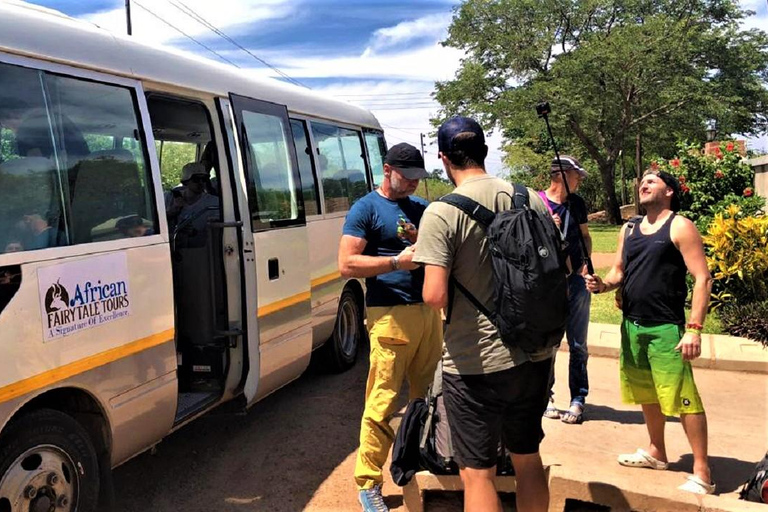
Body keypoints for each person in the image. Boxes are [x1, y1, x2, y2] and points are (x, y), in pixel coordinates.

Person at [413, 117, 553, 512]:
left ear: (443, 158)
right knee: (527, 460)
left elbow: (435, 295)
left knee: (477, 473)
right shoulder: (532, 199)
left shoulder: (442, 212)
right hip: (534, 355)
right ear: (485, 152)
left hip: (475, 362)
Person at [585, 170, 715, 495]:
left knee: (683, 399)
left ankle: (703, 472)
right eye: (642, 181)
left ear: (669, 191)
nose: (644, 185)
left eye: (652, 181)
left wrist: (694, 329)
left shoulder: (680, 226)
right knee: (647, 394)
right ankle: (657, 451)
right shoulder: (629, 229)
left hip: (667, 329)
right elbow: (618, 272)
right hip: (632, 326)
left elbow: (703, 278)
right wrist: (602, 285)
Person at [338, 143, 443, 512]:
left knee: (428, 400)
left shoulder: (423, 209)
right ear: (387, 170)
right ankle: (368, 484)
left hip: (429, 315)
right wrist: (396, 262)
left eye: (419, 177)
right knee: (382, 402)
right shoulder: (365, 208)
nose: (414, 183)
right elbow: (347, 264)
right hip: (389, 315)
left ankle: (417, 465)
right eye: (408, 176)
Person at [539, 156, 592, 424]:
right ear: (560, 175)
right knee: (548, 343)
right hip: (548, 284)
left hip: (577, 282)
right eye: (576, 175)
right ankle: (545, 396)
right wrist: (548, 227)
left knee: (578, 344)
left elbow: (584, 236)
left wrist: (586, 265)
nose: (579, 179)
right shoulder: (536, 203)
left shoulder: (577, 204)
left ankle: (578, 398)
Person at [166, 162, 218, 247]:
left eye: (204, 179)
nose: (201, 182)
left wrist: (194, 232)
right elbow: (153, 224)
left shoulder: (213, 203)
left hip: (200, 252)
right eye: (196, 179)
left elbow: (217, 234)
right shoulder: (170, 198)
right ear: (185, 182)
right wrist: (172, 212)